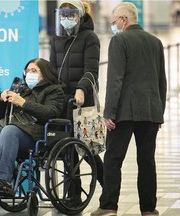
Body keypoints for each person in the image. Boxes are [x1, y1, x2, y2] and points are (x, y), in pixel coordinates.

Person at [91, 2, 167, 216]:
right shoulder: (156, 42)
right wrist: (159, 113)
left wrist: (109, 113)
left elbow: (116, 79)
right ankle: (149, 209)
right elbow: (162, 80)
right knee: (146, 161)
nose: (113, 26)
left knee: (113, 159)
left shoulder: (119, 40)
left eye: (114, 21)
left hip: (124, 112)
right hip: (151, 112)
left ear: (124, 19)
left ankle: (108, 206)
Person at [0, 58, 65, 197]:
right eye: (27, 71)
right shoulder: (22, 89)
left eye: (34, 71)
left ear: (44, 73)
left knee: (10, 130)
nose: (29, 74)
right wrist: (1, 100)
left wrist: (23, 103)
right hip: (15, 133)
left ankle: (3, 181)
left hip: (39, 136)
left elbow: (50, 113)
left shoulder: (54, 91)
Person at [50, 0, 104, 189]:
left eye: (70, 15)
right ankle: (72, 193)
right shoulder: (56, 38)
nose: (66, 19)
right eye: (63, 15)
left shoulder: (90, 38)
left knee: (87, 148)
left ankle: (108, 185)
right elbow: (52, 70)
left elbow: (91, 70)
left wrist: (80, 89)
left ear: (80, 15)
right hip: (61, 101)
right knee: (66, 149)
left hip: (82, 101)